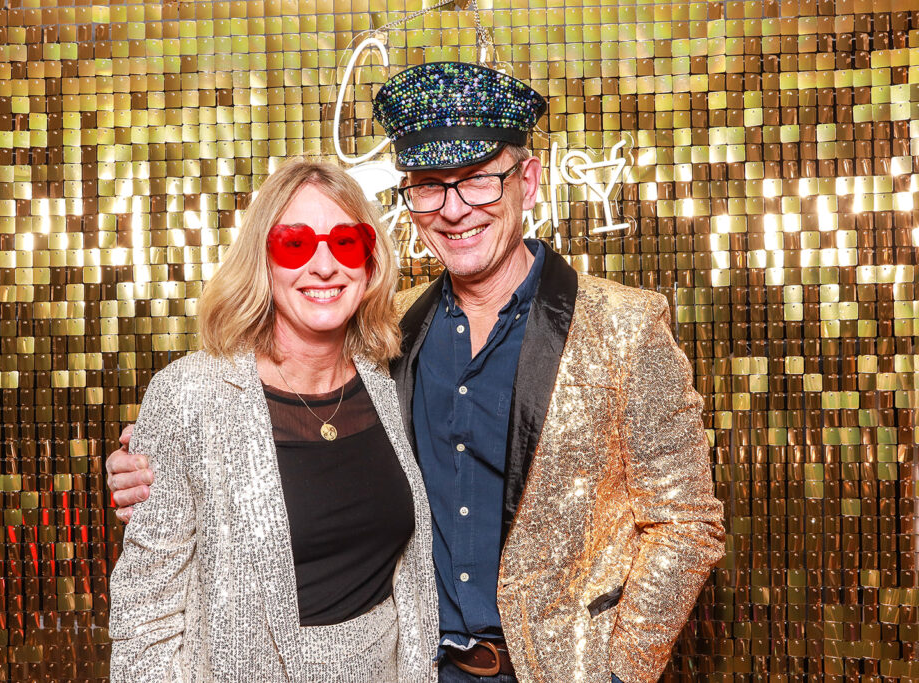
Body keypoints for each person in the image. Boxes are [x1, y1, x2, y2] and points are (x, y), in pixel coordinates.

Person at [109, 63, 726, 683]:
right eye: (430, 186)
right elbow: (263, 431)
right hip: (417, 666)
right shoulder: (389, 335)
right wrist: (156, 470)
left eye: (480, 181)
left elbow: (687, 523)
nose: (455, 210)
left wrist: (620, 672)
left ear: (528, 180)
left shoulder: (625, 326)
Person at [107, 160, 438, 682]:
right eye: (295, 244)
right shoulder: (191, 394)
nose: (325, 265)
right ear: (262, 258)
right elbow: (145, 613)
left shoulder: (386, 381)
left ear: (370, 260)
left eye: (346, 242)